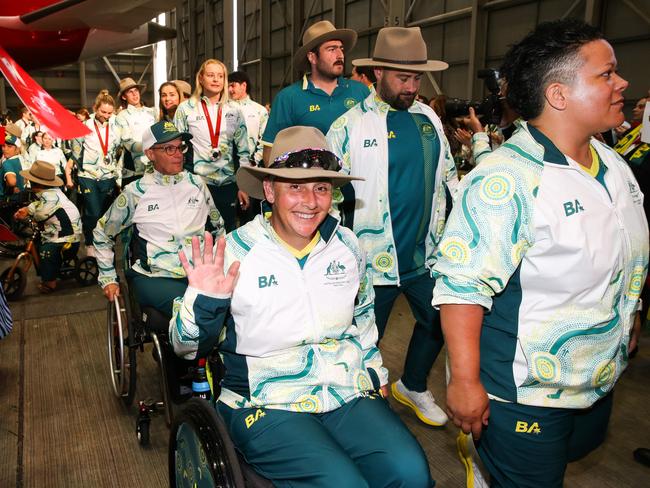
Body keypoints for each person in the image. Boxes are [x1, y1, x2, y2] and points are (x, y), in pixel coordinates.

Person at [431, 19, 648, 488]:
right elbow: (461, 288)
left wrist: (629, 317)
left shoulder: (612, 164)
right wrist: (465, 382)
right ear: (559, 94)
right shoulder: (506, 180)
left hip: (596, 376)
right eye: (606, 74)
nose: (622, 83)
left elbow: (626, 253)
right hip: (524, 392)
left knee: (570, 455)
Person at [170, 126, 433, 487]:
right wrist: (206, 301)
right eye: (295, 186)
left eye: (321, 187)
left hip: (345, 390)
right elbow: (185, 347)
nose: (310, 201)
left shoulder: (347, 245)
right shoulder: (232, 252)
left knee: (411, 472)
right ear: (269, 190)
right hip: (265, 400)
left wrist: (375, 374)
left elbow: (363, 316)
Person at [327, 26, 457, 427]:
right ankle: (358, 407)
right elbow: (327, 198)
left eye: (417, 77)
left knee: (440, 322)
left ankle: (413, 384)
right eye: (403, 77)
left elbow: (449, 179)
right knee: (365, 340)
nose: (411, 86)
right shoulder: (347, 127)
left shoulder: (428, 118)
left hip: (423, 255)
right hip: (371, 260)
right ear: (378, 72)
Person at [94, 121, 224, 317]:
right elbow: (102, 232)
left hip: (199, 273)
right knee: (197, 311)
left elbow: (218, 227)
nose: (179, 154)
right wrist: (108, 277)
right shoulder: (135, 193)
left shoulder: (196, 184)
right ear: (150, 154)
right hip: (154, 277)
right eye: (169, 149)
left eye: (180, 147)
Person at [260, 20, 369, 163]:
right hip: (311, 183)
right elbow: (271, 151)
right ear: (312, 57)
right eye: (331, 49)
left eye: (341, 48)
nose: (340, 55)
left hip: (358, 182)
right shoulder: (288, 98)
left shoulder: (360, 91)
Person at [174, 58, 251, 232]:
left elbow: (244, 152)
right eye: (210, 75)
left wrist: (243, 186)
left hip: (228, 185)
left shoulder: (234, 110)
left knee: (228, 234)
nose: (216, 80)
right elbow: (176, 149)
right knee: (198, 235)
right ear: (201, 78)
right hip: (197, 184)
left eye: (220, 76)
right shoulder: (186, 109)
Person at [71, 90, 127, 256]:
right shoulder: (83, 127)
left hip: (108, 177)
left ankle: (105, 244)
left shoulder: (116, 128)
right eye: (103, 112)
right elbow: (76, 152)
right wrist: (84, 169)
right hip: (88, 176)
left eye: (110, 113)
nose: (106, 116)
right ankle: (90, 244)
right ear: (95, 108)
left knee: (106, 215)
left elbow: (119, 153)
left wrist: (117, 175)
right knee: (93, 213)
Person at [13, 161, 82, 293]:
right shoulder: (49, 193)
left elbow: (41, 213)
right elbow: (38, 205)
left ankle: (50, 282)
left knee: (47, 251)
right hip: (58, 232)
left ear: (37, 184)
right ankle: (46, 273)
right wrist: (27, 209)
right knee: (39, 244)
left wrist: (28, 214)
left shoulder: (51, 196)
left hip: (67, 237)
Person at [115, 77, 157, 185]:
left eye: (136, 90)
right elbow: (128, 143)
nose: (134, 94)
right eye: (130, 92)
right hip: (134, 170)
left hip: (156, 168)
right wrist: (149, 146)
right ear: (124, 97)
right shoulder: (121, 116)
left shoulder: (152, 112)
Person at [228, 70, 268, 165]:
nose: (229, 90)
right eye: (228, 87)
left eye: (233, 85)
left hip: (250, 165)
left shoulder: (260, 111)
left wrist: (255, 160)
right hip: (225, 167)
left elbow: (265, 139)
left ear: (244, 85)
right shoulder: (222, 108)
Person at [1, 134, 26, 198]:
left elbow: (12, 182)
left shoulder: (7, 163)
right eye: (3, 146)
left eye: (9, 146)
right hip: (18, 198)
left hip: (5, 200)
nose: (5, 149)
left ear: (17, 149)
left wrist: (10, 189)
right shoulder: (20, 159)